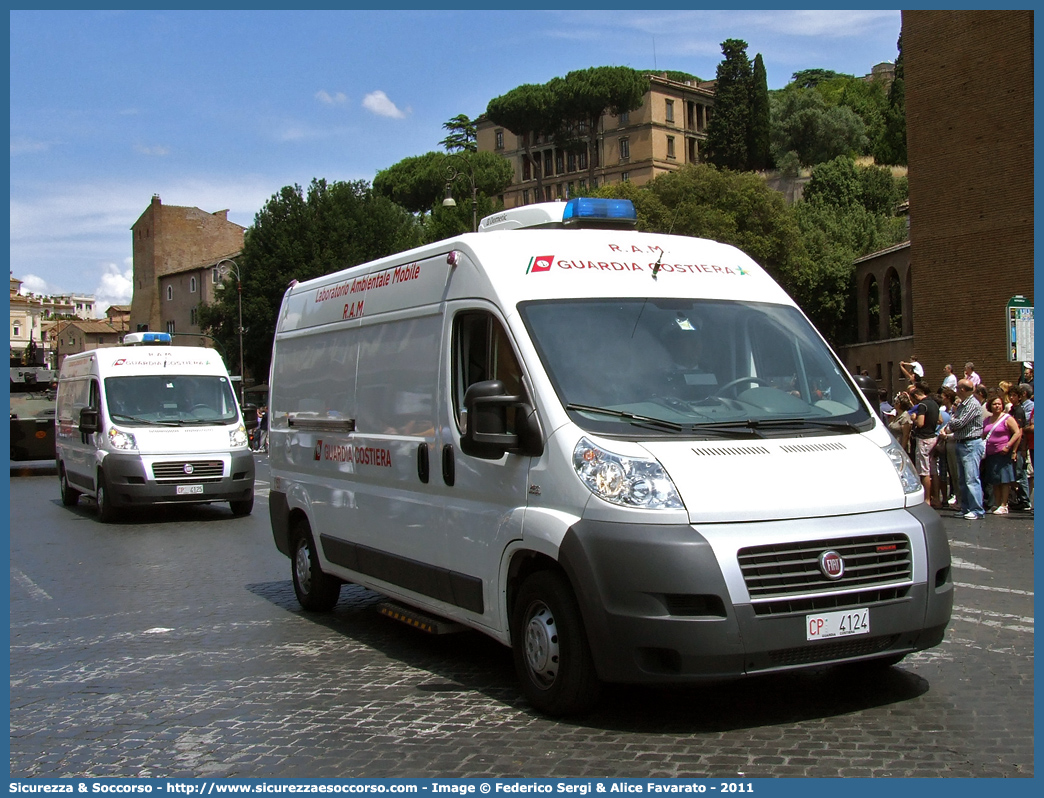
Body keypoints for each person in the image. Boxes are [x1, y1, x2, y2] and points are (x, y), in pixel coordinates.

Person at [947, 379, 985, 519]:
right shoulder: (963, 404)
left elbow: (959, 423)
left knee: (971, 478)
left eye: (957, 387)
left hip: (971, 444)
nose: (956, 389)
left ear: (962, 389)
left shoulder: (972, 404)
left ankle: (977, 509)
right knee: (962, 479)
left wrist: (951, 419)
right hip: (961, 442)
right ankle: (965, 507)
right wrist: (954, 419)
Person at [981, 393, 1021, 515]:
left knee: (1004, 479)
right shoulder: (987, 419)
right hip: (990, 454)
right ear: (990, 406)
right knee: (995, 479)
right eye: (994, 404)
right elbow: (983, 434)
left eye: (999, 404)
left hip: (1003, 453)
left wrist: (1009, 446)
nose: (997, 406)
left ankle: (1004, 504)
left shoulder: (1007, 418)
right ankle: (997, 503)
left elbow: (1017, 432)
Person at [908, 382, 940, 501]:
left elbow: (920, 423)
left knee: (924, 471)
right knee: (933, 470)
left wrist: (914, 419)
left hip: (923, 439)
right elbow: (940, 420)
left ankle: (927, 499)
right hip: (933, 438)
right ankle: (936, 498)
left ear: (916, 396)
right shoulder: (934, 404)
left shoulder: (922, 405)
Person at [888, 391, 914, 455]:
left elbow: (906, 435)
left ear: (899, 404)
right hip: (894, 445)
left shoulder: (905, 417)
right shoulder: (896, 416)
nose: (894, 404)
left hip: (901, 447)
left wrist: (902, 450)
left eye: (895, 402)